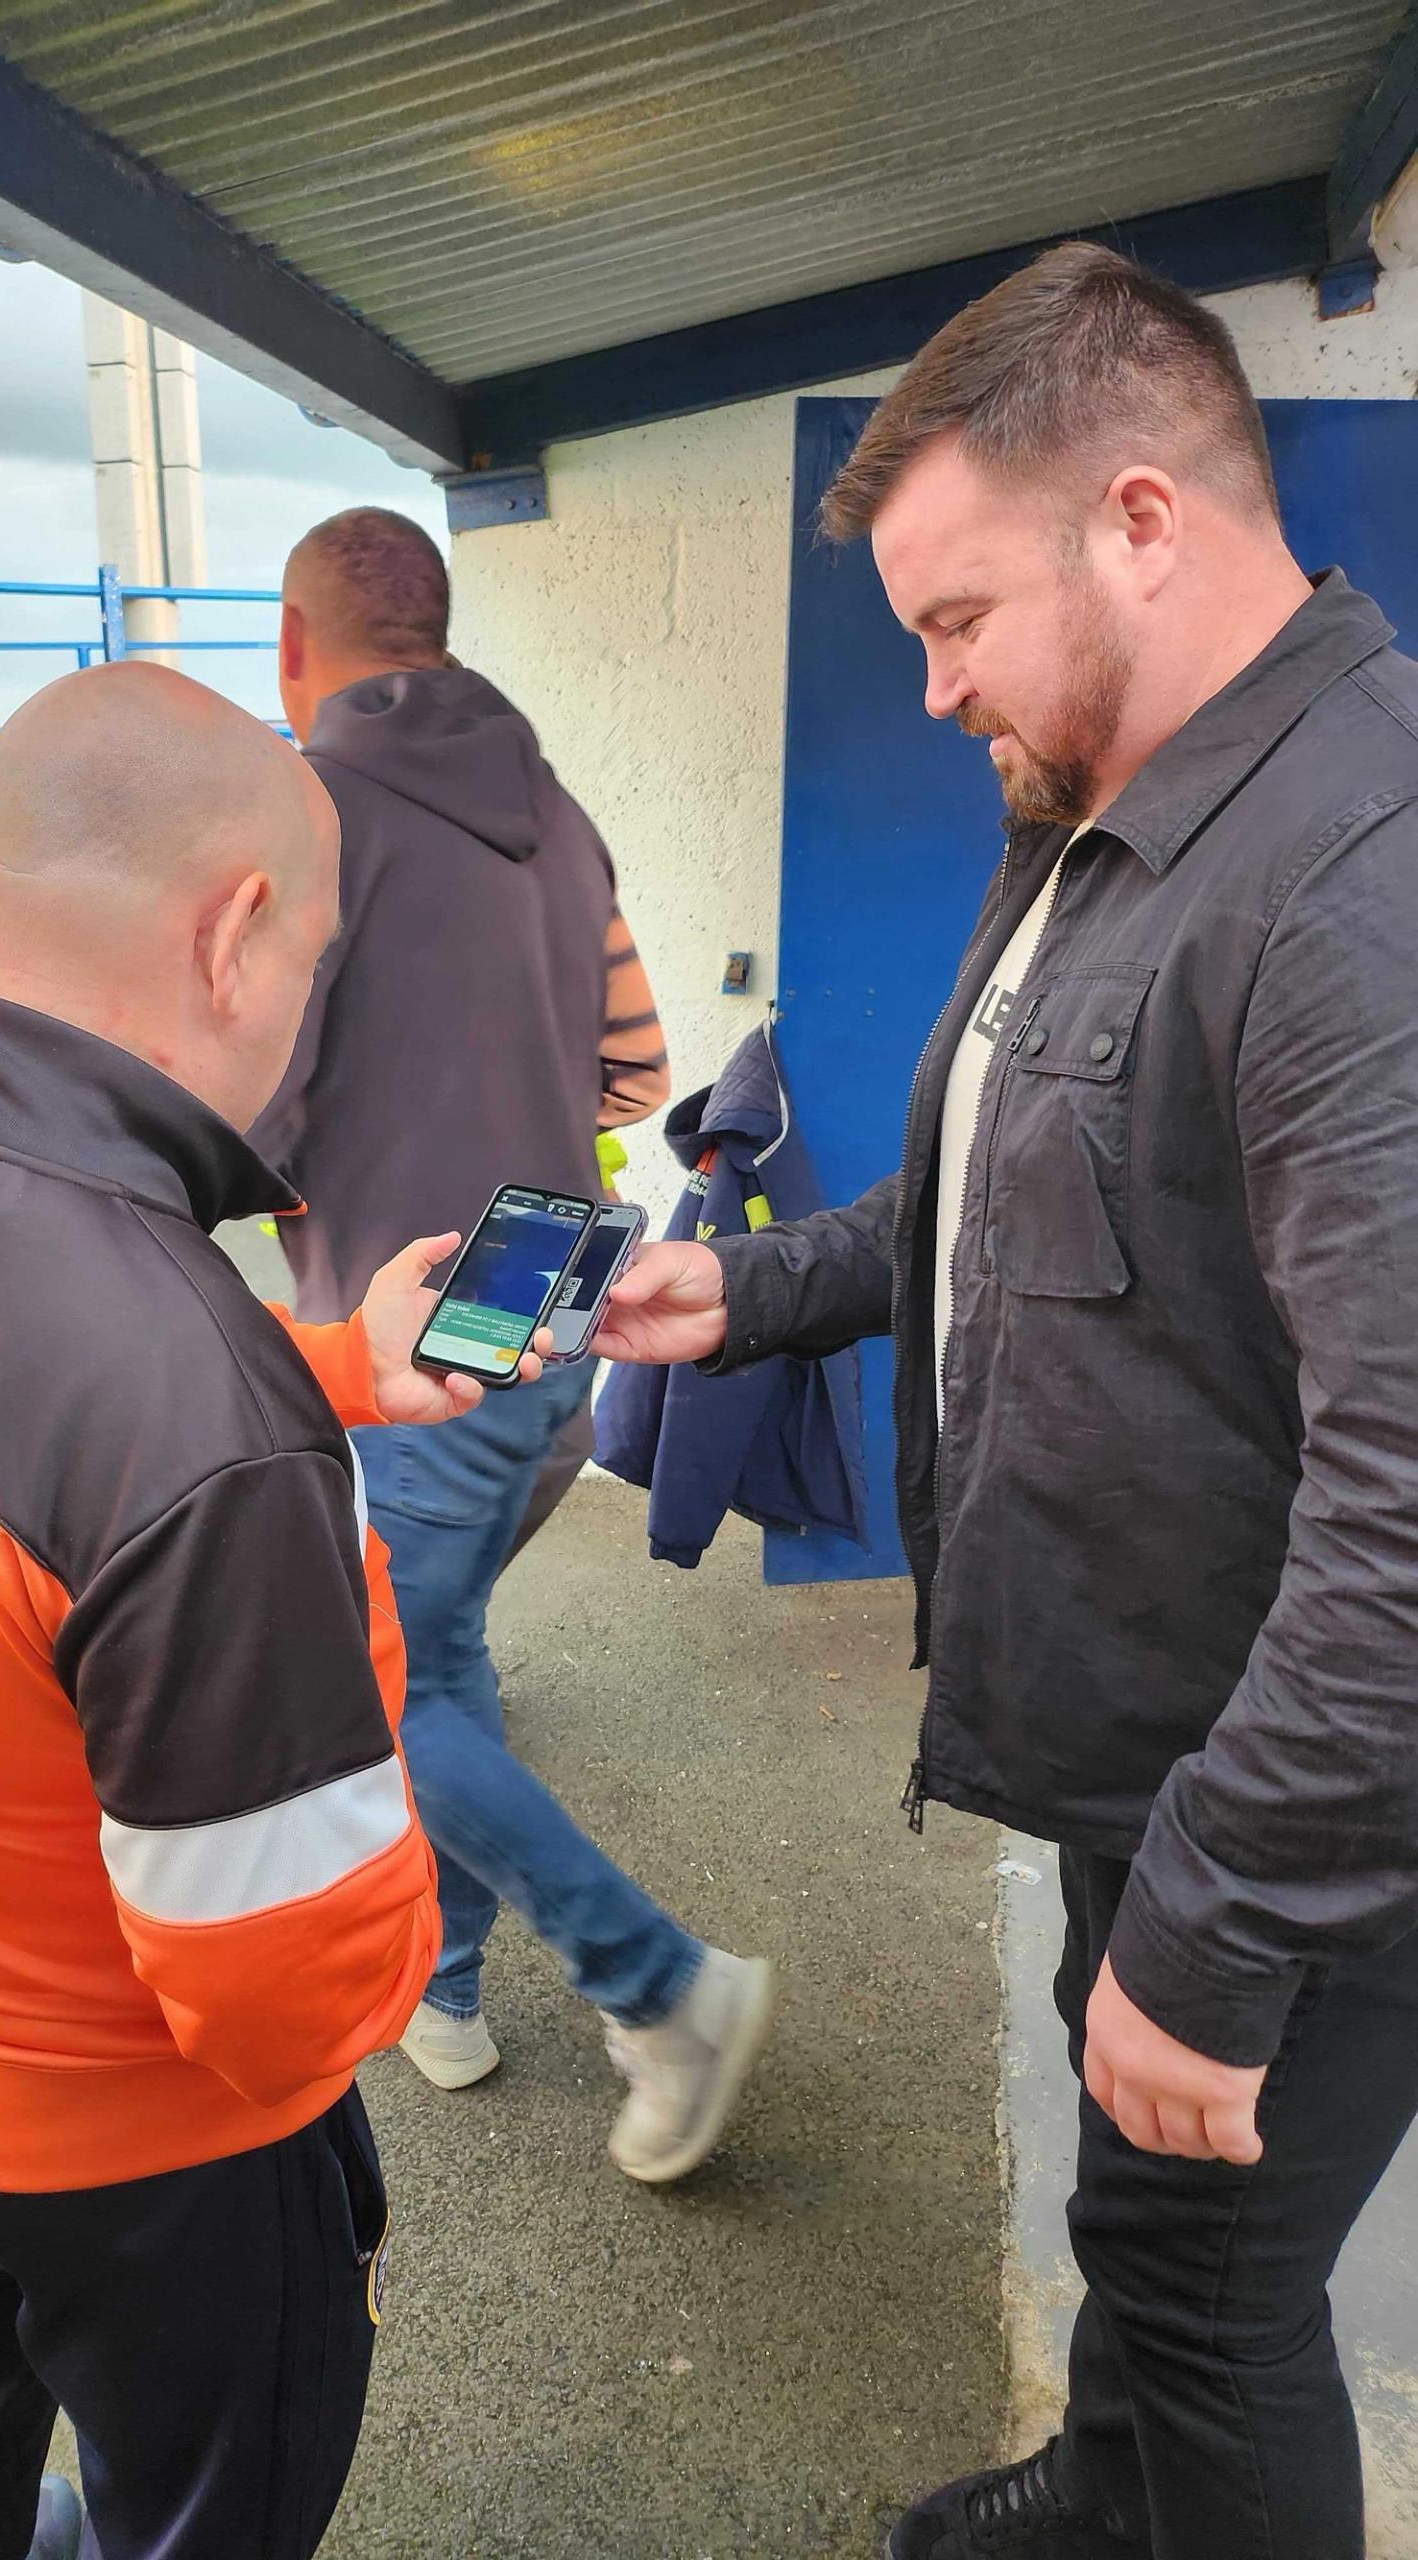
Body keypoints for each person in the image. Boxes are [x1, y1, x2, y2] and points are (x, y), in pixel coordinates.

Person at [598, 243, 1418, 2560]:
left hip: (1286, 1800)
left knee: (1233, 2283)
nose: (940, 685)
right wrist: (736, 1292)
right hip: (1133, 1735)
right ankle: (1113, 2485)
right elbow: (981, 1209)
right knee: (1146, 2223)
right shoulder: (1094, 803)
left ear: (1142, 520)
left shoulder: (1361, 879)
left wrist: (1219, 1916)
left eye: (958, 619)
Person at [0, 659, 515, 2560]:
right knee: (205, 2507)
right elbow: (285, 1986)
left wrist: (332, 1372)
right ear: (233, 934)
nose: (305, 1024)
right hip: (122, 2149)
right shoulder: (185, 1408)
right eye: (312, 963)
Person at [253, 506, 774, 2184]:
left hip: (421, 1315)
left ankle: (661, 1986)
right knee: (444, 1649)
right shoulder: (552, 810)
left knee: (380, 1686)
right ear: (441, 628)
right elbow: (634, 1069)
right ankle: (450, 1984)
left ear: (294, 649)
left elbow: (249, 1104)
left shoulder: (308, 814)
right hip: (555, 1290)